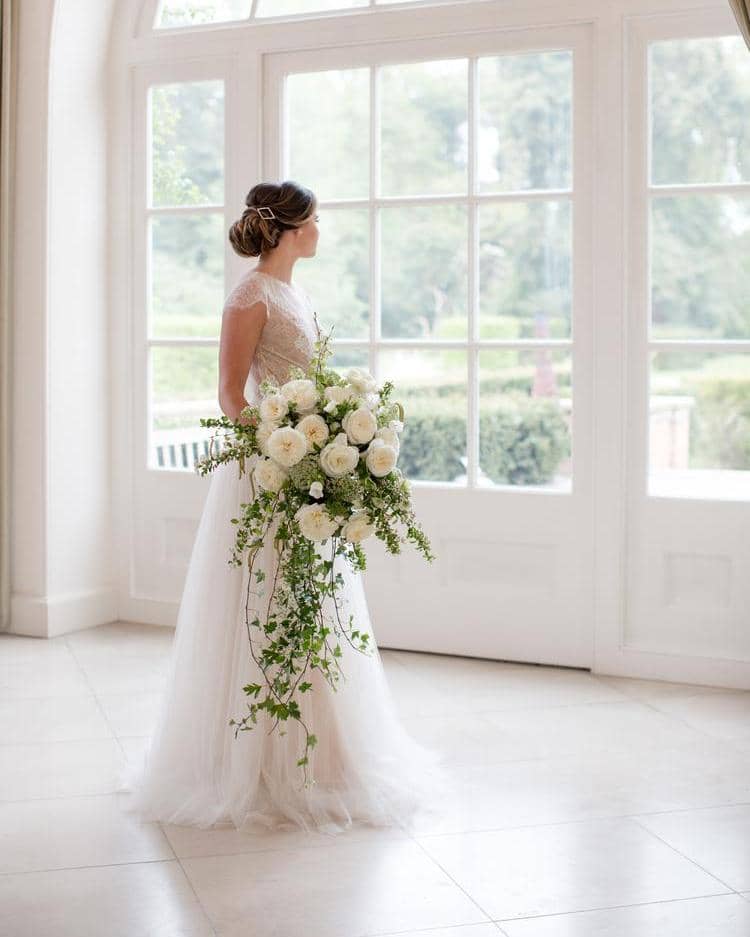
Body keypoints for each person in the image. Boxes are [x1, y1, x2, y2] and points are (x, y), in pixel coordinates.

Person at [118, 180, 448, 836]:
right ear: (291, 229)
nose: (322, 227)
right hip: (267, 474)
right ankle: (253, 762)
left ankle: (327, 756)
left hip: (302, 467)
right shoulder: (249, 296)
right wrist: (279, 449)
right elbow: (230, 393)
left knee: (315, 603)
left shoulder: (293, 291)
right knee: (266, 597)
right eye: (316, 218)